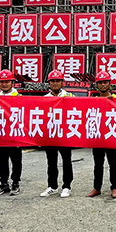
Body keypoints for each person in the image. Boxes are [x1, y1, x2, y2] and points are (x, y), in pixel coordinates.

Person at [87, 71, 116, 199]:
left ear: (109, 84)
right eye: (100, 83)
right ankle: (97, 188)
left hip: (111, 135)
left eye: (105, 82)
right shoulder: (93, 101)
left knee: (113, 163)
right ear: (97, 85)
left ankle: (114, 187)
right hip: (98, 137)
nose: (102, 85)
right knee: (98, 164)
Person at [41, 69, 74, 198]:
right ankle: (52, 186)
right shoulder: (44, 99)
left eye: (57, 81)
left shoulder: (69, 97)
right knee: (51, 161)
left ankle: (67, 186)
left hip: (64, 134)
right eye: (52, 81)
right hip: (50, 134)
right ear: (49, 83)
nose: (55, 83)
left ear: (62, 82)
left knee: (67, 161)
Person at [0, 69, 23, 196]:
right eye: (1, 82)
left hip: (14, 135)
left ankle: (15, 183)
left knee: (16, 161)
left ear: (13, 83)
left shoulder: (19, 98)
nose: (4, 84)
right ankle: (4, 183)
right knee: (1, 161)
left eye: (7, 82)